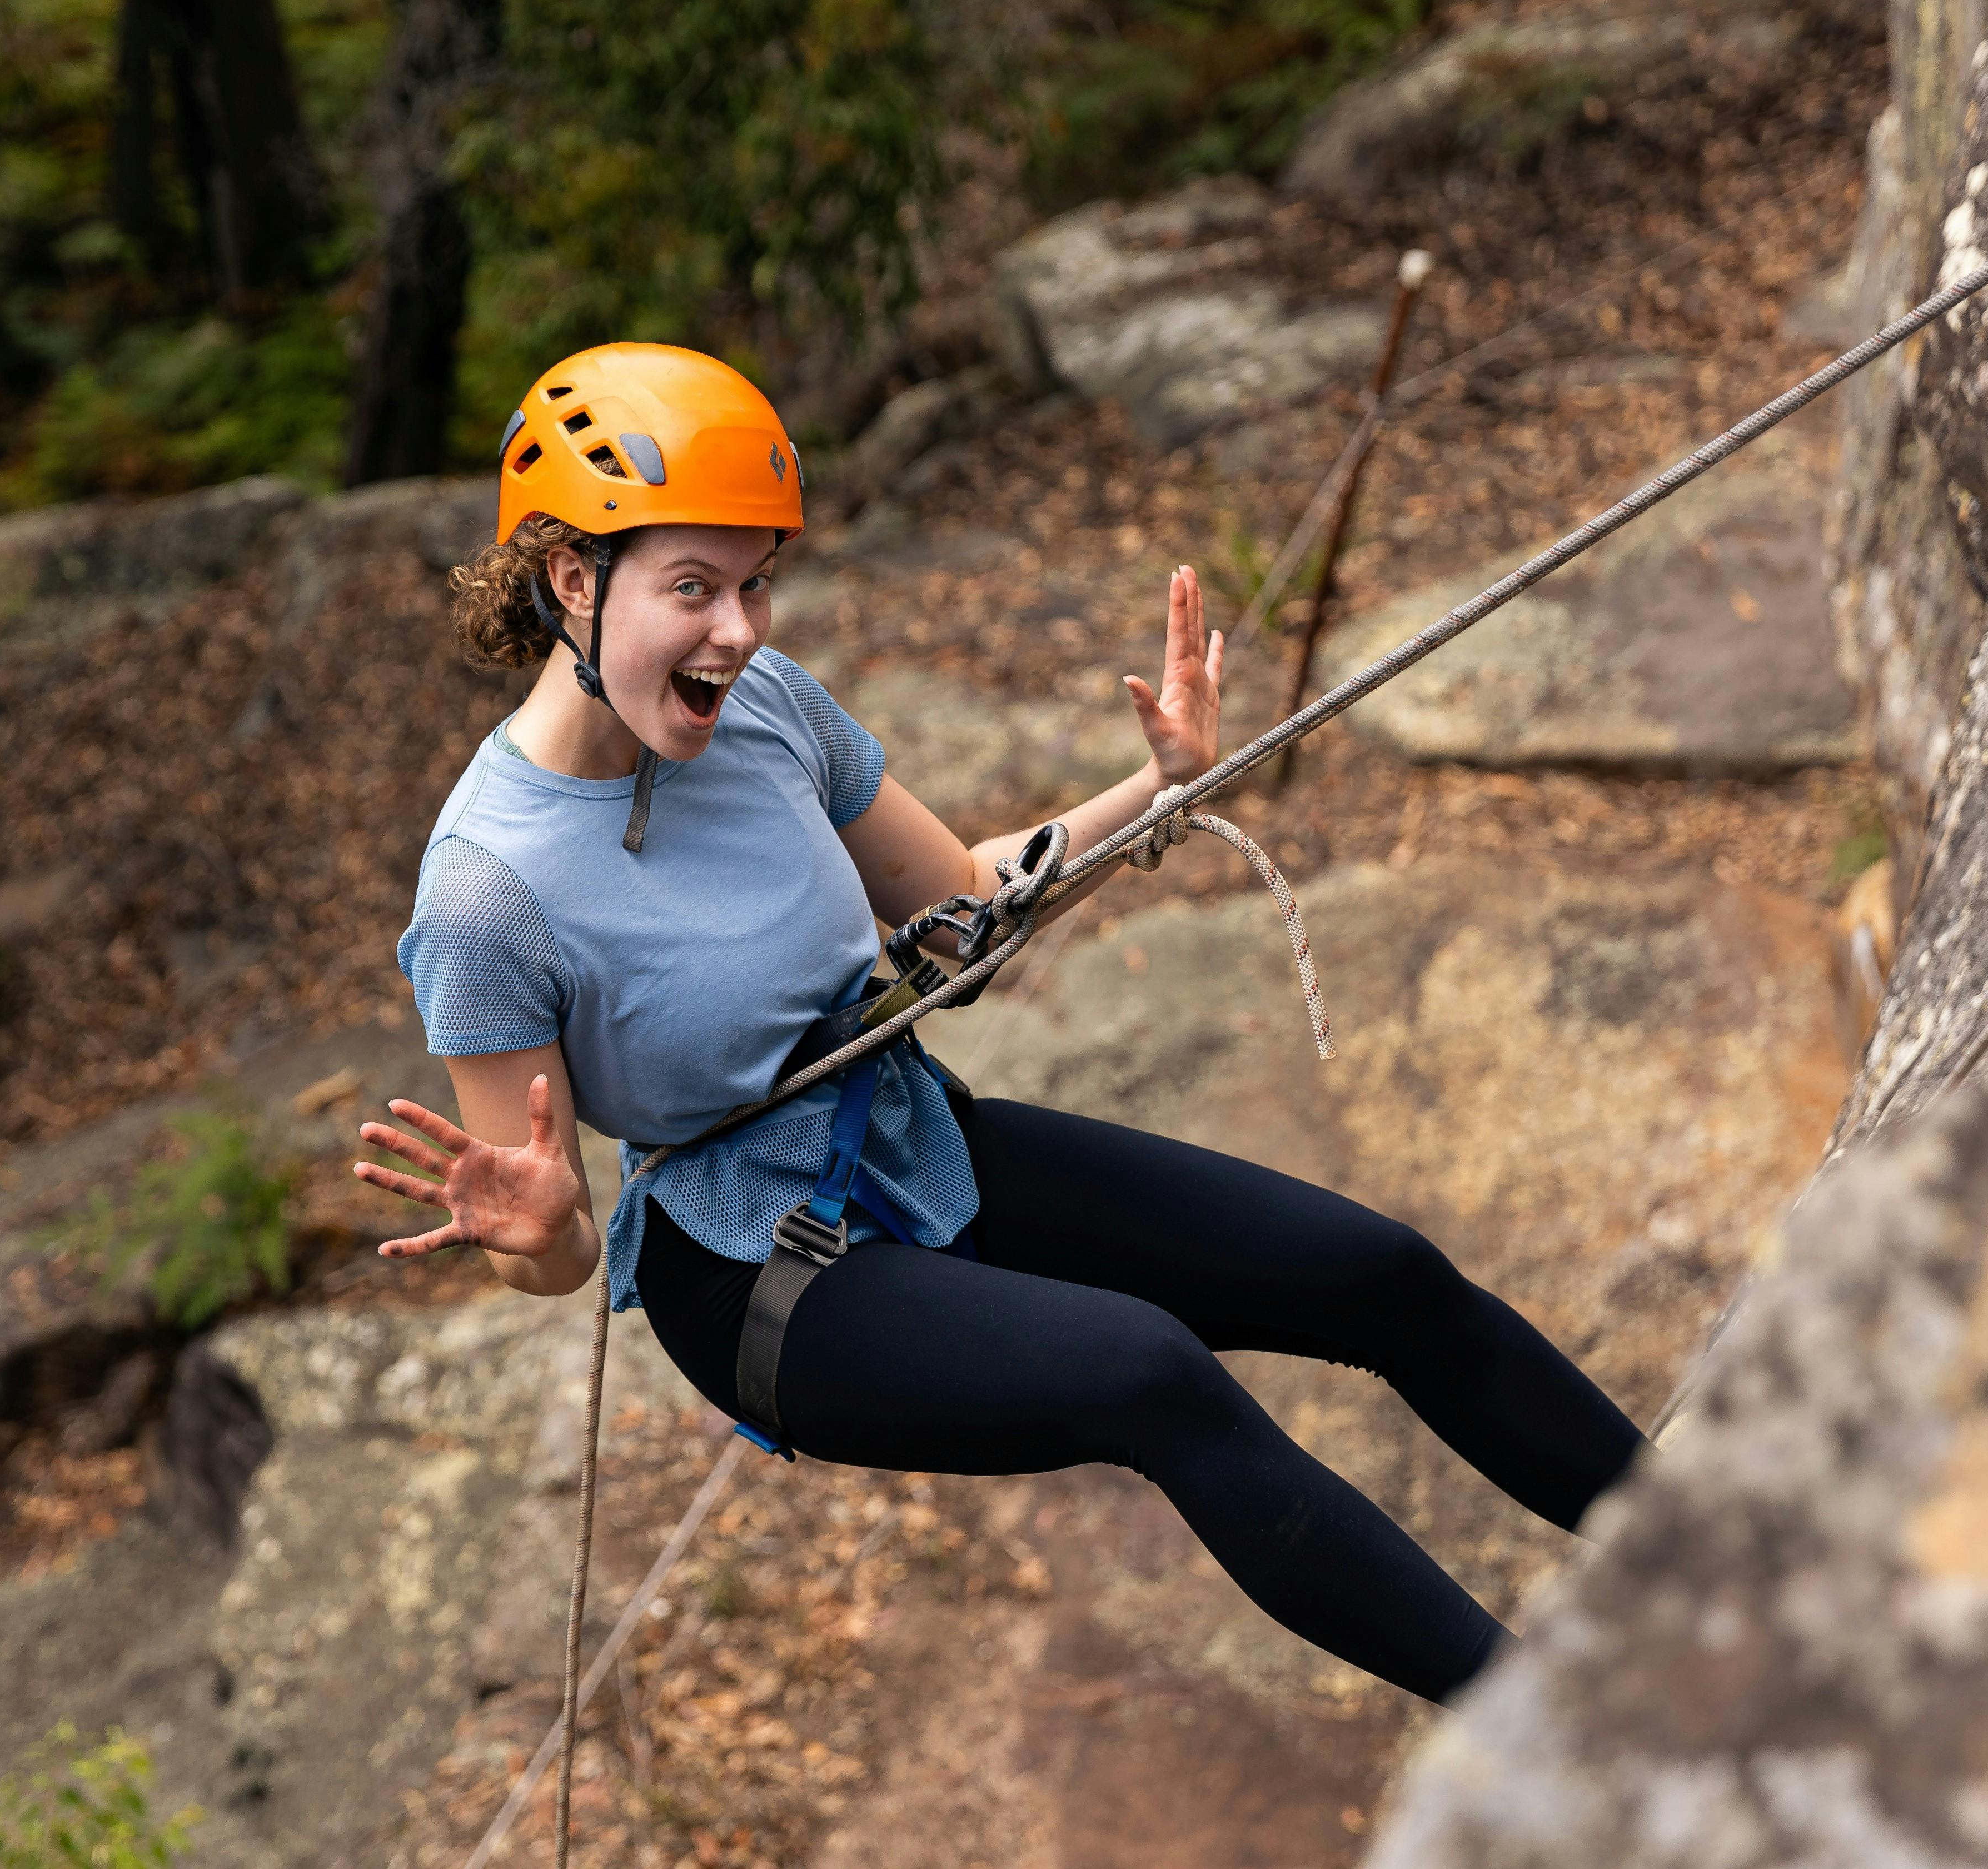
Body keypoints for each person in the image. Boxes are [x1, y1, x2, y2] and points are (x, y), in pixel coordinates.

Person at [354, 343, 1644, 1704]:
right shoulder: (486, 895)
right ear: (574, 580)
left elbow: (964, 896)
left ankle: (1714, 1551)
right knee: (1151, 1371)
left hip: (909, 1142)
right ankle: (1556, 1737)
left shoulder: (769, 711)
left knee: (1381, 1273)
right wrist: (545, 1225)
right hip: (757, 1280)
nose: (738, 631)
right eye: (694, 588)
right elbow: (541, 1258)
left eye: (753, 582)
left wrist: (1153, 788)